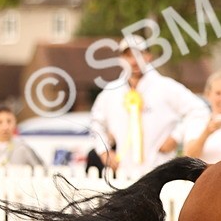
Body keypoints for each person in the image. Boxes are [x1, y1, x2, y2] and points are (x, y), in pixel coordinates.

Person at [89, 36, 209, 175]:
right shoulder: (110, 92)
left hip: (159, 172)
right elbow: (95, 123)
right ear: (121, 60)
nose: (134, 61)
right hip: (123, 174)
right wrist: (104, 152)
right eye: (129, 56)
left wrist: (176, 136)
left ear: (148, 56)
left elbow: (199, 110)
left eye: (139, 55)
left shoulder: (166, 87)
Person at [0, 105, 44, 169]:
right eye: (0, 122)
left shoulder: (23, 149)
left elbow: (41, 170)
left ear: (15, 122)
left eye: (9, 121)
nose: (5, 127)